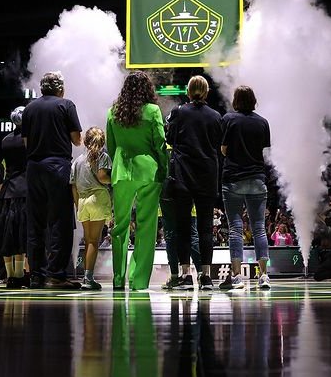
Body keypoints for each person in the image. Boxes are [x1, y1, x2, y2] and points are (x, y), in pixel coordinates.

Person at [106, 70, 168, 290]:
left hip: (122, 172)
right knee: (146, 228)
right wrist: (164, 168)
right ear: (147, 89)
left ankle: (117, 278)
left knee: (119, 227)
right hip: (148, 172)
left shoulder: (112, 112)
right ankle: (138, 280)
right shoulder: (152, 111)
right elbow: (160, 144)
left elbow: (111, 147)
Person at [21, 71, 83, 290]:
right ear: (61, 88)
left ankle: (36, 275)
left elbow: (27, 142)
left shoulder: (29, 108)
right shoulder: (66, 105)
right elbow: (77, 140)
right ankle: (56, 275)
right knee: (61, 222)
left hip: (34, 167)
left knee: (35, 223)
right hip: (57, 166)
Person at [164, 74, 223, 291]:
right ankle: (206, 277)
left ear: (188, 92)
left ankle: (186, 276)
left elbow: (169, 139)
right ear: (207, 92)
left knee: (183, 228)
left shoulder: (178, 113)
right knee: (206, 227)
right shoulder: (216, 116)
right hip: (207, 175)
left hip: (183, 176)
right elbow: (218, 143)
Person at [217, 85, 271, 290]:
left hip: (233, 180)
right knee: (259, 228)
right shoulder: (263, 122)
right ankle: (264, 275)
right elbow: (262, 150)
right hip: (257, 178)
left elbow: (223, 149)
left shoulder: (228, 120)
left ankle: (237, 276)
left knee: (235, 229)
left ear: (236, 100)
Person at [0, 107, 29, 289]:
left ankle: (11, 276)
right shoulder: (28, 140)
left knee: (6, 234)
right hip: (24, 190)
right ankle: (19, 275)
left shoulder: (5, 140)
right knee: (20, 235)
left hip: (7, 191)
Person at [70, 126, 112, 290]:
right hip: (97, 199)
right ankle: (88, 279)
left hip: (82, 202)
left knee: (88, 240)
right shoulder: (103, 157)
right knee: (94, 241)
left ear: (86, 141)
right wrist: (113, 178)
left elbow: (73, 186)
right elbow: (102, 177)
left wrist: (77, 205)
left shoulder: (77, 160)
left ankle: (86, 275)